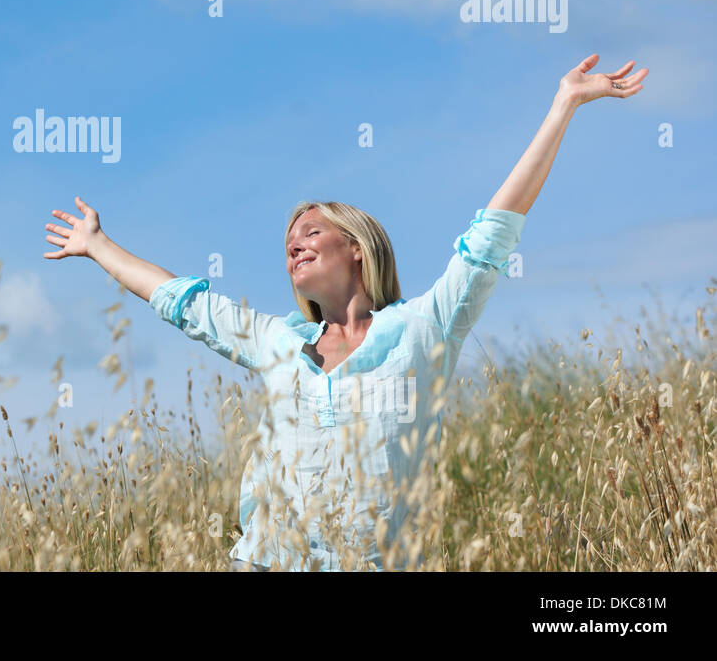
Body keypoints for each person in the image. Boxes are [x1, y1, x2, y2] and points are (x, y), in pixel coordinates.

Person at [42, 53, 647, 570]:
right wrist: (98, 245)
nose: (294, 244)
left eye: (310, 232)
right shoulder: (277, 341)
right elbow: (183, 302)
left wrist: (563, 104)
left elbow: (491, 234)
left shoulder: (422, 329)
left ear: (356, 247)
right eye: (288, 242)